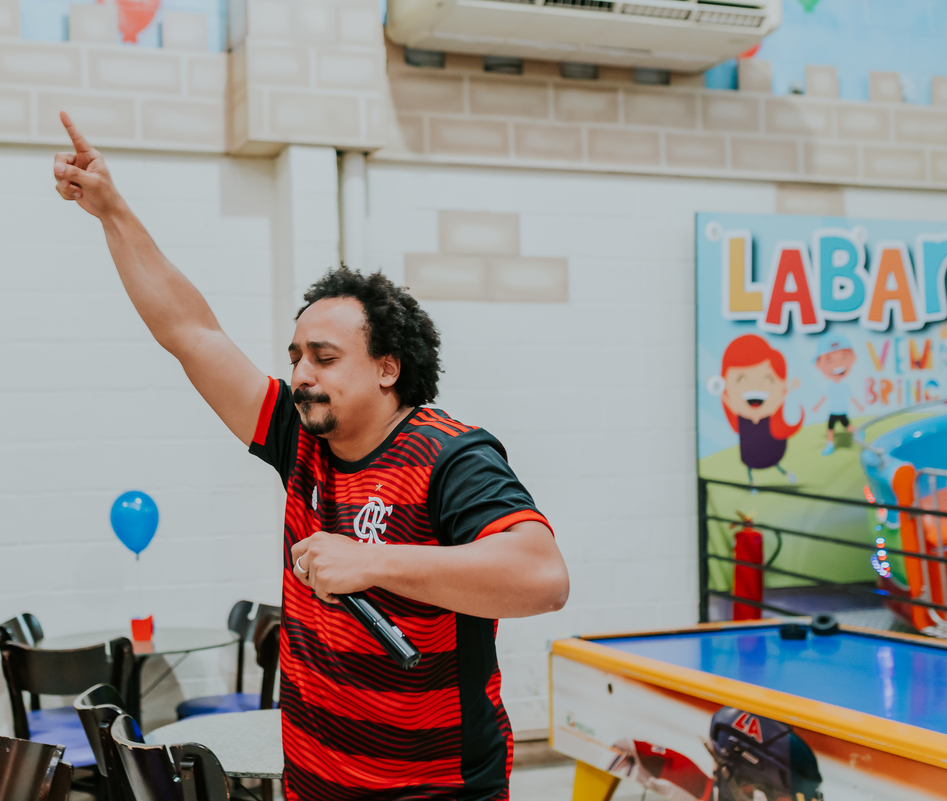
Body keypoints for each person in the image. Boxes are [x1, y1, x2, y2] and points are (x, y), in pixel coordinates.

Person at [53, 112, 570, 801]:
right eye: (296, 355)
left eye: (324, 358)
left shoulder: (452, 454)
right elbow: (188, 330)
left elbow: (541, 575)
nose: (300, 373)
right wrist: (111, 210)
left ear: (388, 367)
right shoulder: (298, 437)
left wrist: (375, 559)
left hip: (437, 788)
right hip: (314, 783)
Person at [718, 334, 803, 486]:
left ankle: (786, 474)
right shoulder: (740, 415)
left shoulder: (773, 413)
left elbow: (779, 397)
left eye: (768, 379)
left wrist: (792, 388)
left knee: (774, 463)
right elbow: (728, 400)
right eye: (741, 380)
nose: (756, 387)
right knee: (751, 466)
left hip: (772, 451)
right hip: (750, 453)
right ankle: (752, 482)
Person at [809, 334, 864, 456]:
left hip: (842, 411)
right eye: (829, 360)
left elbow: (851, 397)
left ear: (853, 357)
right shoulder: (830, 386)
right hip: (833, 412)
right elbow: (824, 397)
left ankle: (858, 432)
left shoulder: (845, 386)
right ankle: (830, 445)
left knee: (848, 427)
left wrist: (859, 406)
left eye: (844, 357)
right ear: (819, 364)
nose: (837, 365)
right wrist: (816, 407)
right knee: (830, 428)